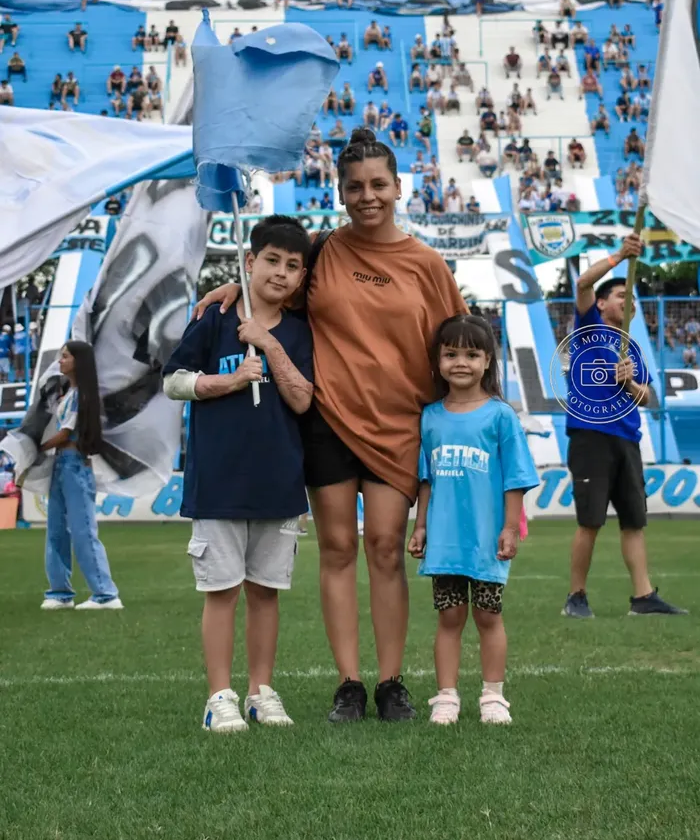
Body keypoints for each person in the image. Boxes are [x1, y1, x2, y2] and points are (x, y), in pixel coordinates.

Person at [193, 129, 467, 724]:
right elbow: (273, 281)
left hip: (400, 428)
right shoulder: (322, 252)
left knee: (386, 548)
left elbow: (459, 344)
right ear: (341, 193)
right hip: (329, 422)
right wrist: (230, 288)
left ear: (399, 187)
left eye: (378, 185)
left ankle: (392, 682)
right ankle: (350, 683)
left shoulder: (427, 264)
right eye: (355, 187)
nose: (367, 196)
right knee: (339, 548)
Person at [163, 216, 313, 732]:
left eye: (293, 266)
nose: (282, 272)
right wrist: (226, 381)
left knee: (266, 591)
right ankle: (219, 696)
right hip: (219, 481)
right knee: (222, 591)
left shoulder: (299, 331)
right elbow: (173, 382)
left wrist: (268, 346)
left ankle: (260, 691)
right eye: (272, 260)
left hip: (278, 482)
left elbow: (302, 399)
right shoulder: (214, 318)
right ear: (249, 262)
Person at [408, 315, 538, 725]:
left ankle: (493, 696)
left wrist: (509, 527)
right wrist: (421, 525)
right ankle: (446, 696)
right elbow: (425, 480)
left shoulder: (501, 416)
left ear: (488, 362)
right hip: (445, 539)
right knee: (449, 618)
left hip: (486, 539)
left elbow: (516, 479)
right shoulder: (429, 417)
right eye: (450, 354)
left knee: (488, 616)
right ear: (438, 361)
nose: (460, 362)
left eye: (471, 354)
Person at [561, 237, 687, 619]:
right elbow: (582, 283)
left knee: (635, 520)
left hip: (627, 439)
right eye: (620, 294)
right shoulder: (588, 327)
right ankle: (576, 597)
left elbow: (648, 397)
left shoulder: (630, 346)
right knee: (591, 521)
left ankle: (643, 597)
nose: (628, 300)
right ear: (602, 304)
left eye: (631, 296)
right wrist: (620, 257)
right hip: (591, 437)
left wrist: (630, 384)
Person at [40, 341, 122, 611]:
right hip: (62, 464)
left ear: (78, 361)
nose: (60, 361)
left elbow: (65, 433)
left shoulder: (83, 396)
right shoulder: (69, 394)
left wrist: (36, 447)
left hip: (74, 463)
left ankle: (106, 594)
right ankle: (60, 591)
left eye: (65, 357)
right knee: (55, 530)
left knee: (83, 530)